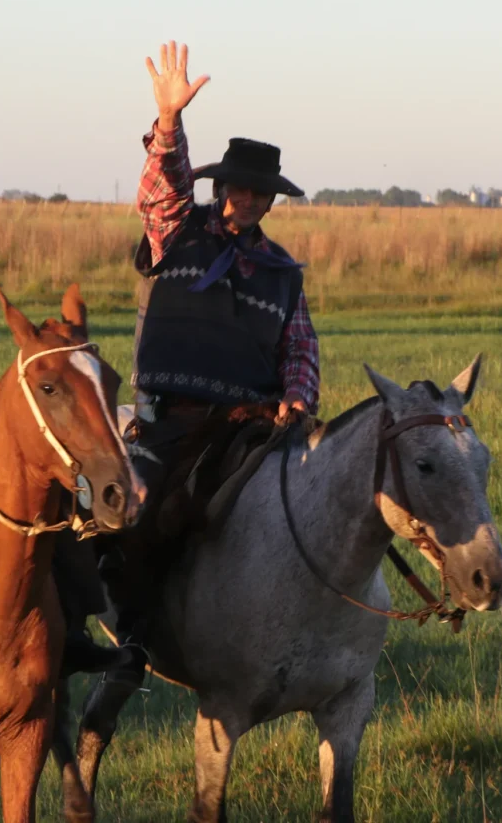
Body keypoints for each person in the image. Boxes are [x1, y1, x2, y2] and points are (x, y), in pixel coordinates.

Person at [102, 41, 321, 685]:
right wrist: (168, 123)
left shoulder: (281, 271)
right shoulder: (177, 232)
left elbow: (300, 348)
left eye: (262, 194)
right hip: (170, 417)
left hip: (250, 423)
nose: (249, 201)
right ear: (220, 187)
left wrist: (298, 398)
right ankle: (132, 637)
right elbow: (160, 189)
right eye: (241, 189)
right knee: (134, 515)